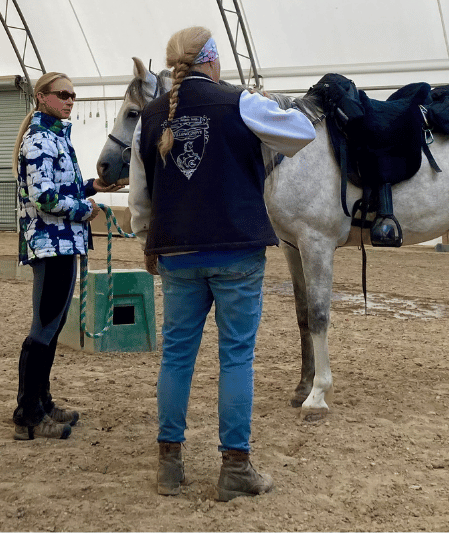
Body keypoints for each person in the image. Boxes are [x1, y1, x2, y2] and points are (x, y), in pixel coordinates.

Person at [128, 26, 315, 500]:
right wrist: (263, 103)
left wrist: (149, 240)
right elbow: (303, 132)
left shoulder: (151, 117)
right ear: (211, 61)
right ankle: (235, 466)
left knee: (176, 355)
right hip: (236, 250)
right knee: (236, 357)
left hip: (177, 255)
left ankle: (169, 463)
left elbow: (140, 197)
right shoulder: (241, 103)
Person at [12, 72, 123, 441]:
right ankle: (28, 414)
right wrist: (84, 210)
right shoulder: (40, 140)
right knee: (43, 328)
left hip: (64, 243)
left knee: (53, 326)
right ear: (42, 98)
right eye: (63, 95)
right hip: (51, 243)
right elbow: (43, 197)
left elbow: (65, 188)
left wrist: (95, 187)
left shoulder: (56, 137)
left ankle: (41, 402)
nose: (70, 101)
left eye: (73, 96)